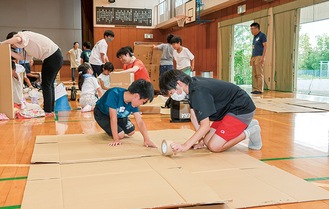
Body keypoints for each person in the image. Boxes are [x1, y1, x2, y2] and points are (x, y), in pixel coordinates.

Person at [159, 70, 262, 154]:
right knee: (207, 141)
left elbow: (205, 126)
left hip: (241, 109)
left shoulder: (198, 91)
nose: (173, 96)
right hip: (225, 111)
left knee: (214, 146)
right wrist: (200, 141)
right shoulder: (190, 87)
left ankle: (252, 130)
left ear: (179, 84)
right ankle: (247, 125)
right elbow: (193, 116)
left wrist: (185, 145)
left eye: (172, 93)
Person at [1, 31, 63, 116]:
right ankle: (50, 109)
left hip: (51, 57)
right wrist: (9, 51)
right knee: (49, 84)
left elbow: (17, 39)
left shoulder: (22, 35)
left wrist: (2, 44)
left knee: (46, 84)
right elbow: (24, 58)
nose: (14, 47)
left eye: (12, 45)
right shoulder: (26, 46)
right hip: (55, 56)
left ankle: (48, 110)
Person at [93, 79, 157, 147]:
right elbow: (113, 118)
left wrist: (147, 139)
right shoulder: (114, 93)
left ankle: (115, 129)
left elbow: (140, 121)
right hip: (102, 114)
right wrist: (116, 139)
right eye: (143, 102)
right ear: (136, 96)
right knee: (120, 134)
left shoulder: (133, 102)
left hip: (118, 115)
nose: (141, 104)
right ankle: (112, 130)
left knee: (131, 132)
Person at [250, 22, 267, 94]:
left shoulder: (262, 35)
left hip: (259, 56)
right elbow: (253, 48)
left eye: (252, 29)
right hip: (254, 56)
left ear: (257, 28)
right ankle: (255, 88)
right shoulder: (254, 37)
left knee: (259, 73)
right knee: (254, 74)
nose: (251, 31)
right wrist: (251, 58)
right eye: (250, 29)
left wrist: (263, 57)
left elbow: (265, 46)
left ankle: (260, 89)